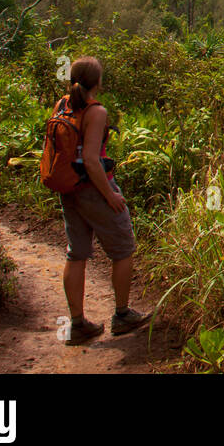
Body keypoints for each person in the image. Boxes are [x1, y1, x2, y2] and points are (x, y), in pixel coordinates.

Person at [58, 56, 150, 345]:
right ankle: (122, 315)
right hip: (94, 189)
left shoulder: (63, 105)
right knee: (124, 249)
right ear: (97, 82)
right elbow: (91, 160)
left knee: (77, 253)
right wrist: (110, 195)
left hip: (69, 189)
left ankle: (77, 324)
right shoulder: (96, 112)